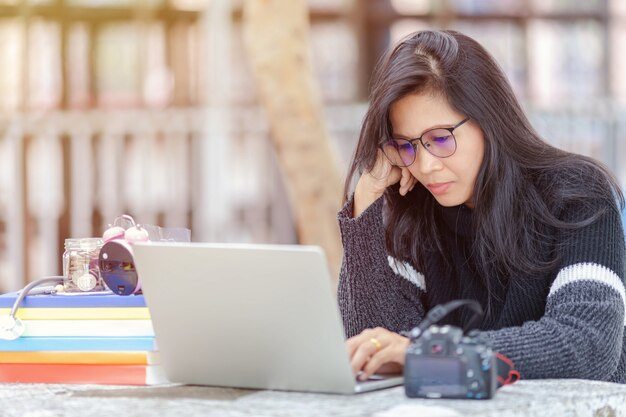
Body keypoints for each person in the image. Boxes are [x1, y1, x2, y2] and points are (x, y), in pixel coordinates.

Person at [338, 30, 626, 383]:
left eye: (440, 138)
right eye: (406, 146)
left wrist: (426, 353)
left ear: (488, 119)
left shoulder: (577, 194)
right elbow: (376, 352)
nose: (425, 165)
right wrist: (365, 203)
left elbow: (587, 345)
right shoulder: (409, 213)